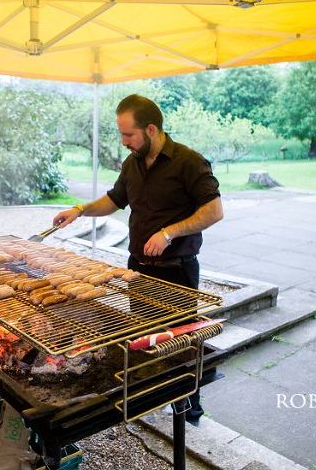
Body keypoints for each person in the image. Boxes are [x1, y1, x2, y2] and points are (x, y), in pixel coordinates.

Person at [53, 94, 223, 423]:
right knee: (144, 338)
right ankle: (152, 393)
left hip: (177, 272)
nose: (123, 141)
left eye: (128, 134)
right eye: (121, 134)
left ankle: (189, 405)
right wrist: (79, 210)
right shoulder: (132, 164)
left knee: (180, 343)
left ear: (150, 129)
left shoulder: (189, 162)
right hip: (138, 271)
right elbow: (115, 200)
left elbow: (214, 210)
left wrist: (170, 232)